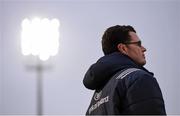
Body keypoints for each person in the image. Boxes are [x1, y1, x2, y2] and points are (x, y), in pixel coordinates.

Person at [83, 25, 166, 115]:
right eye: (138, 44)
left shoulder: (95, 100)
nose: (144, 49)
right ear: (123, 48)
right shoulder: (138, 78)